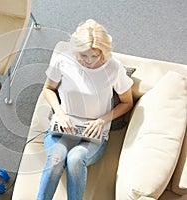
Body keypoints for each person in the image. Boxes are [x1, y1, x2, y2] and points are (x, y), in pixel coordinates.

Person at [36, 19, 134, 200]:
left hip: (94, 136)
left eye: (94, 56)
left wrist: (102, 120)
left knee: (75, 158)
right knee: (57, 157)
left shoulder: (114, 68)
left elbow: (127, 103)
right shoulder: (63, 61)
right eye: (83, 56)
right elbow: (48, 89)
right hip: (61, 129)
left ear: (103, 52)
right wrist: (60, 113)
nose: (88, 61)